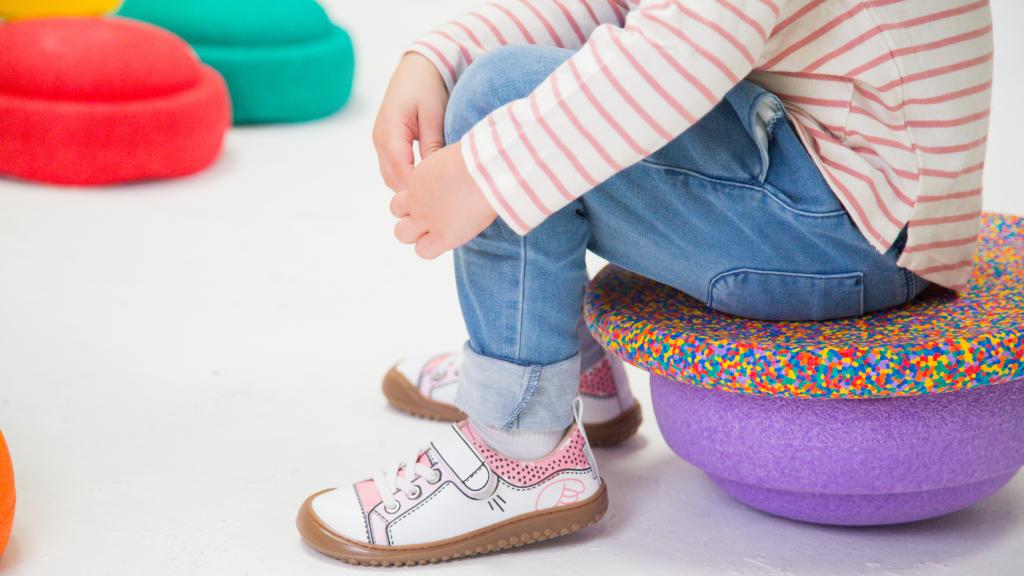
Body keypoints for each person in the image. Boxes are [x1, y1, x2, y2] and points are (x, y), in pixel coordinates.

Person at [297, 0, 993, 566]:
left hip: (849, 228)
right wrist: (439, 54)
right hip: (867, 200)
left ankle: (517, 446)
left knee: (500, 100)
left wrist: (488, 164)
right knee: (503, 89)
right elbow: (627, 13)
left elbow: (675, 54)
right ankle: (566, 369)